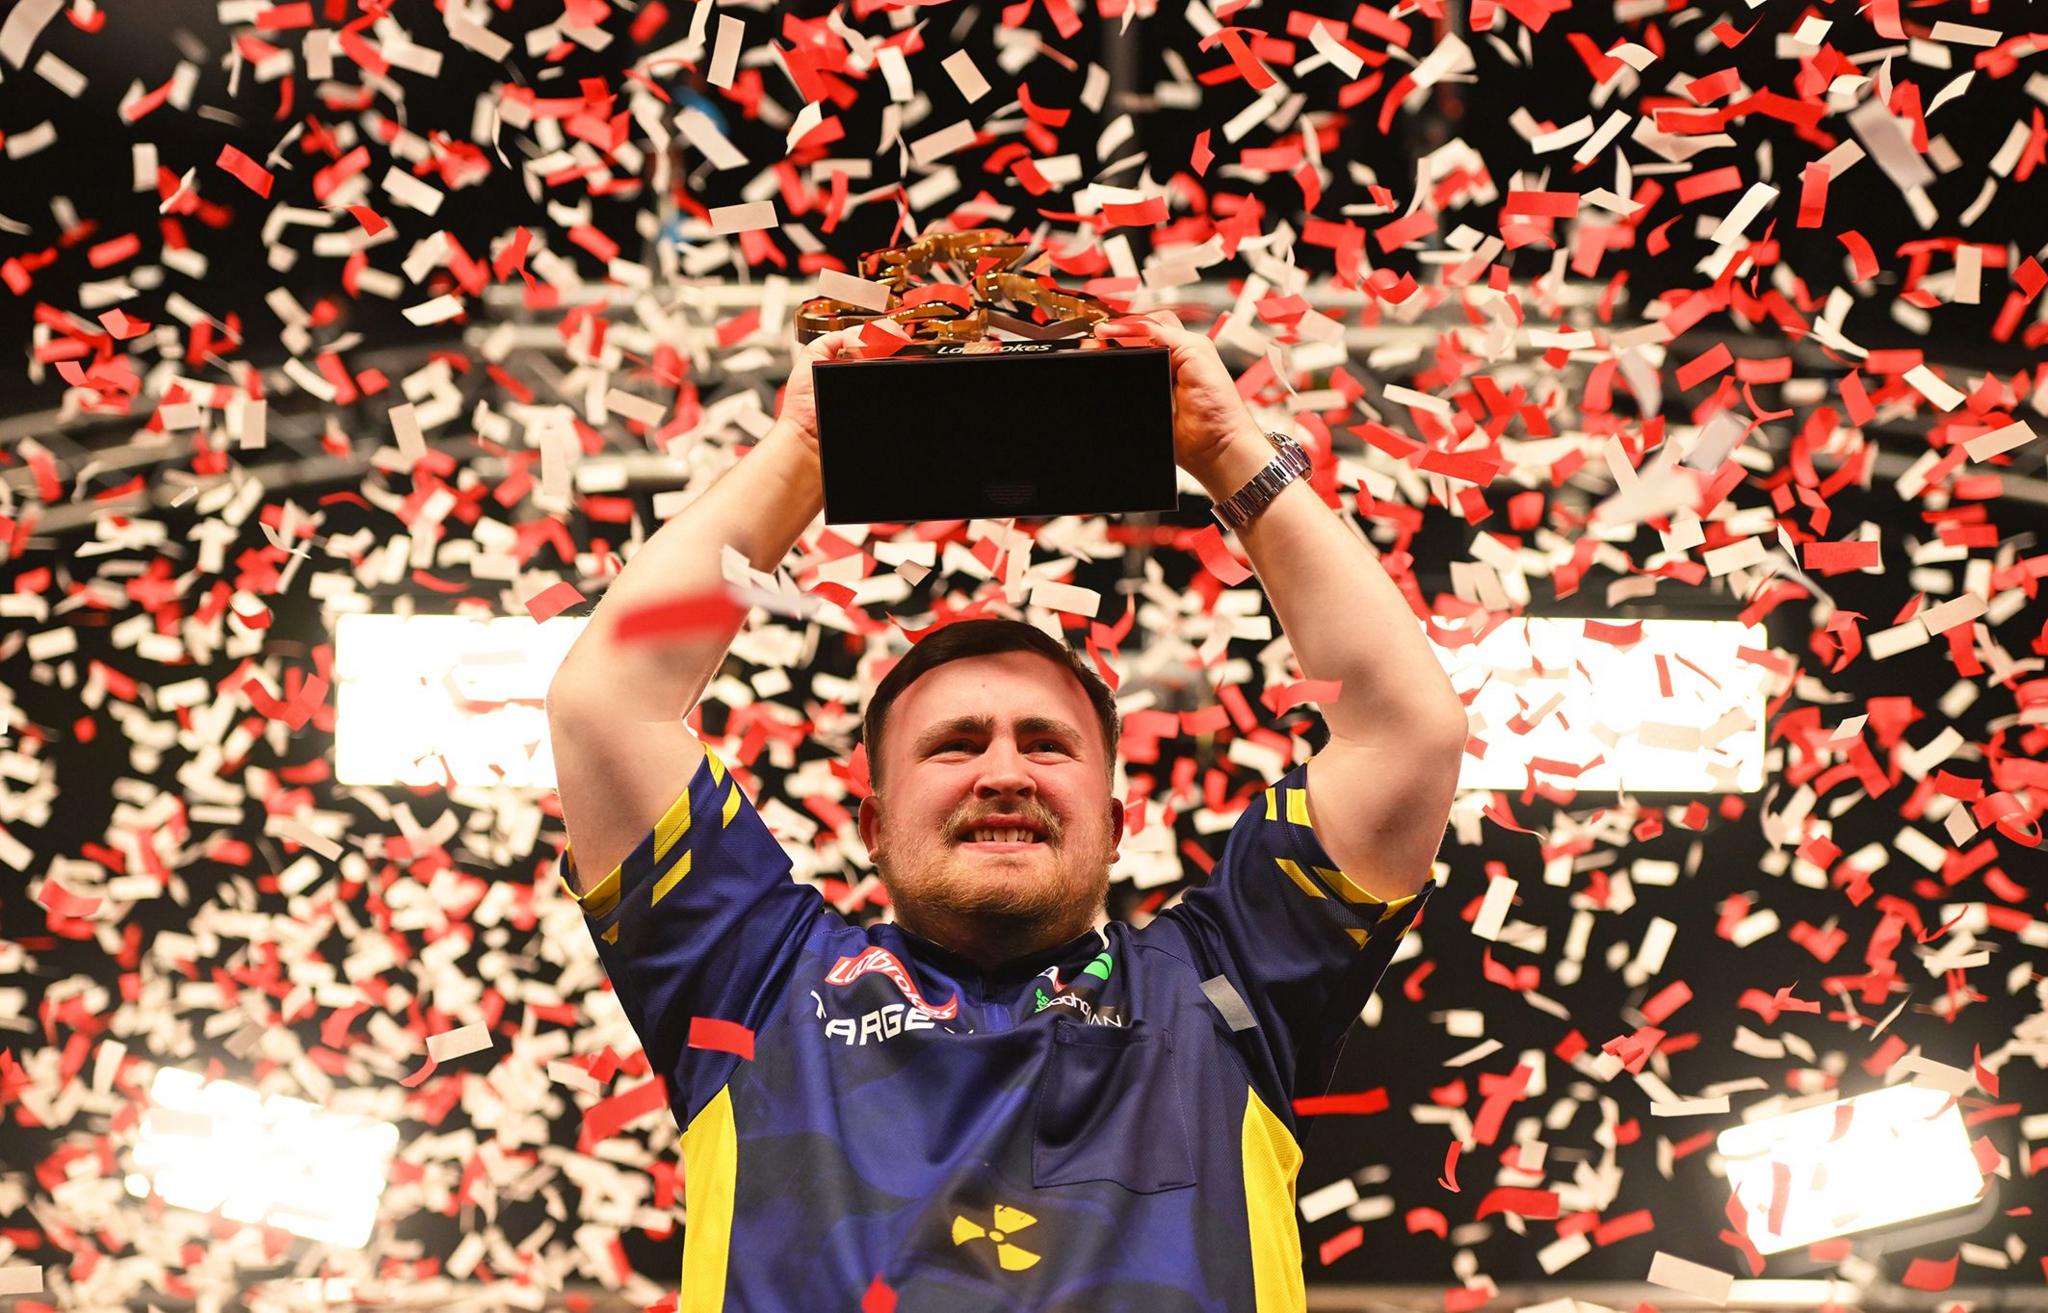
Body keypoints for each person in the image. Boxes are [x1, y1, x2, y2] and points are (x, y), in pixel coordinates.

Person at [546, 309, 1469, 1312]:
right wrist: (800, 455)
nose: (1004, 771)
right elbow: (608, 702)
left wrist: (1226, 449)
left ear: (1116, 825)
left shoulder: (1222, 988)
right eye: (954, 743)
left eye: (1046, 742)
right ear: (872, 823)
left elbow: (1402, 730)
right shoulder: (757, 981)